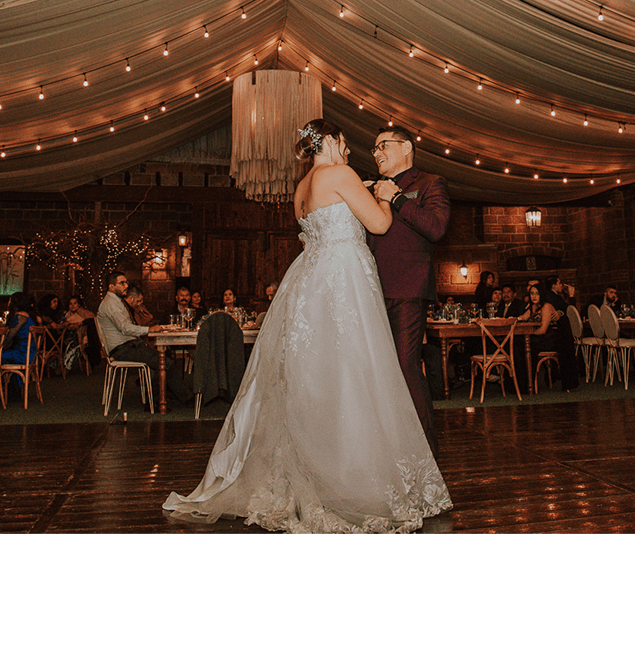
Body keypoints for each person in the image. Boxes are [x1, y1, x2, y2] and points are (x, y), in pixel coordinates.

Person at [164, 119, 451, 532]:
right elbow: (380, 226)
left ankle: (315, 467)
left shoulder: (301, 187)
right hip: (343, 282)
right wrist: (386, 198)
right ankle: (352, 474)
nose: (352, 152)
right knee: (355, 376)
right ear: (331, 141)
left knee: (316, 380)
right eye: (347, 143)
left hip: (310, 283)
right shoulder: (340, 174)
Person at [366, 125, 451, 456]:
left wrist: (397, 199)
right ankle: (389, 448)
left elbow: (436, 228)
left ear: (406, 148)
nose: (376, 153)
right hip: (371, 292)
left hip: (408, 290)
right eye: (373, 149)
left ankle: (427, 452)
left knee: (405, 365)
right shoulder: (370, 189)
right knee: (377, 370)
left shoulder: (430, 183)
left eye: (382, 145)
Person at [96, 272, 192, 403]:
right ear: (111, 286)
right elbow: (125, 328)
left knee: (164, 358)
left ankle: (169, 394)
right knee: (163, 362)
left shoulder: (116, 302)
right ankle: (158, 400)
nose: (126, 285)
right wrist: (149, 330)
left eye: (126, 282)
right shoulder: (111, 304)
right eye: (122, 283)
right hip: (122, 349)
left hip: (129, 345)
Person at [527, 284, 581, 392]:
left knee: (527, 345)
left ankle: (528, 384)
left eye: (537, 293)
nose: (534, 296)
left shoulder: (546, 305)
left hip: (550, 338)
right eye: (532, 293)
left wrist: (528, 334)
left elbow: (543, 330)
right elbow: (523, 316)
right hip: (540, 337)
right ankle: (525, 383)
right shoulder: (531, 307)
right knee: (521, 344)